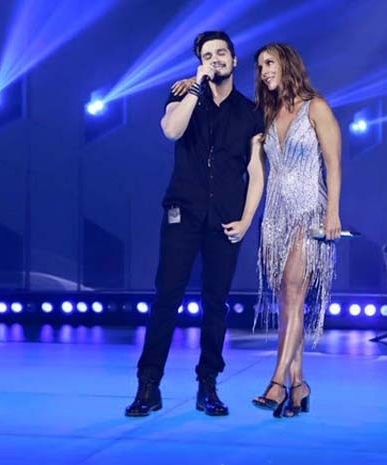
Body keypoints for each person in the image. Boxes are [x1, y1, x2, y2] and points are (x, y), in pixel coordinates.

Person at [125, 31, 265, 417]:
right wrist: (195, 88)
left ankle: (208, 385)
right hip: (183, 211)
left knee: (215, 302)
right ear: (200, 63)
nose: (215, 59)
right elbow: (171, 130)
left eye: (221, 53)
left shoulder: (250, 112)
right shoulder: (183, 95)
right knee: (167, 298)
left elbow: (256, 172)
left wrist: (247, 219)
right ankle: (148, 385)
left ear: (234, 60)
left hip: (226, 218)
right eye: (207, 55)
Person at [251, 43, 342, 418]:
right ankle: (299, 385)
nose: (264, 71)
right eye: (260, 66)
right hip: (275, 217)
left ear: (287, 64)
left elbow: (333, 164)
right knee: (288, 305)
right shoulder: (267, 113)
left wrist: (332, 212)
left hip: (309, 213)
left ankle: (277, 383)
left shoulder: (316, 107)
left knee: (293, 293)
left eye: (269, 63)